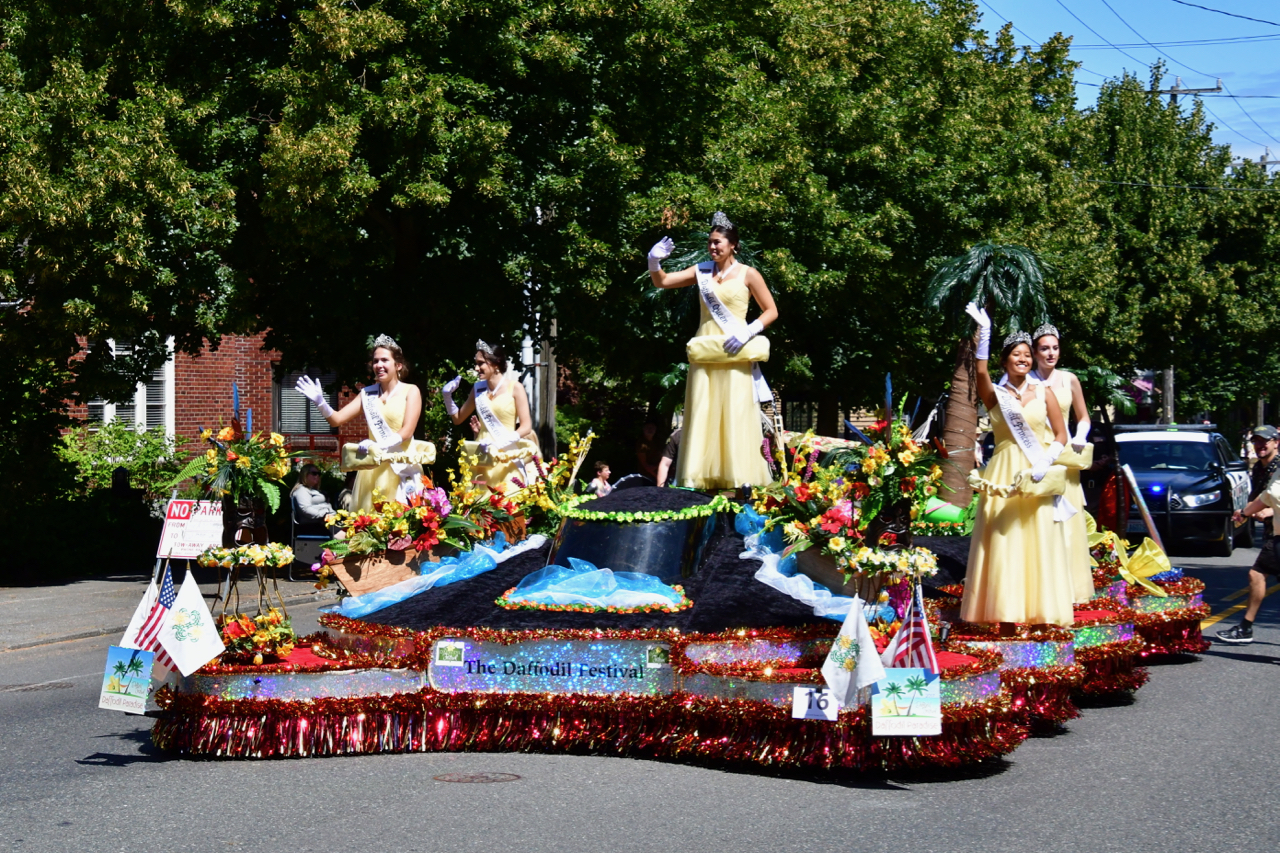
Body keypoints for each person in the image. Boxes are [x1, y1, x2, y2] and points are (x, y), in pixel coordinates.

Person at [961, 305, 1075, 629]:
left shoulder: (1045, 392)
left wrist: (1046, 461)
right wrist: (984, 334)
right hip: (1004, 473)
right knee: (1005, 540)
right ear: (1005, 360)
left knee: (1037, 541)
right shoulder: (995, 395)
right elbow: (980, 373)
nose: (1023, 359)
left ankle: (1040, 615)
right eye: (1016, 355)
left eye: (1027, 355)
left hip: (1036, 472)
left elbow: (1061, 433)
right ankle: (1004, 614)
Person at [647, 212, 776, 490]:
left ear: (733, 245)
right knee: (703, 410)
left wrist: (749, 330)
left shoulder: (748, 274)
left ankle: (738, 479)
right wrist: (654, 261)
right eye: (710, 243)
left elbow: (771, 311)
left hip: (734, 350)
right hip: (706, 351)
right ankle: (700, 478)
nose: (713, 247)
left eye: (718, 242)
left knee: (735, 411)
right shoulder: (702, 271)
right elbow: (663, 282)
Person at [295, 335, 425, 512]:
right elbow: (337, 419)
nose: (379, 365)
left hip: (401, 465)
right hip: (373, 468)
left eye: (385, 360)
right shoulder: (367, 394)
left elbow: (407, 431)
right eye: (375, 361)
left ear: (398, 365)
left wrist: (377, 444)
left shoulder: (411, 391)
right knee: (371, 524)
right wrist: (321, 403)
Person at [1032, 322, 1095, 603]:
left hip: (1065, 457)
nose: (1051, 353)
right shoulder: (1026, 380)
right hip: (1036, 456)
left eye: (1055, 348)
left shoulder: (1069, 379)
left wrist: (1081, 434)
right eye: (1044, 348)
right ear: (1034, 352)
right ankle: (1041, 588)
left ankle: (1070, 591)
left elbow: (1083, 416)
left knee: (1068, 523)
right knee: (1040, 523)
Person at [441, 340, 540, 493]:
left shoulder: (515, 388)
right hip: (482, 456)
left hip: (505, 456)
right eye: (476, 363)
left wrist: (501, 443)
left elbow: (526, 426)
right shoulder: (477, 389)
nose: (476, 368)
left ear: (496, 364)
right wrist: (447, 397)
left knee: (506, 507)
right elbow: (458, 418)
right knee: (477, 506)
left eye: (481, 363)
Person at [1216, 425, 1280, 644]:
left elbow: (1272, 497)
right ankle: (1245, 627)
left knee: (1257, 574)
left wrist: (1263, 512)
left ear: (1276, 443)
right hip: (1274, 532)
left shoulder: (1278, 467)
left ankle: (1245, 627)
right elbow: (1262, 497)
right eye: (1257, 441)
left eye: (1265, 441)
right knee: (1259, 574)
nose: (1260, 445)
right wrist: (1248, 512)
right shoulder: (1259, 468)